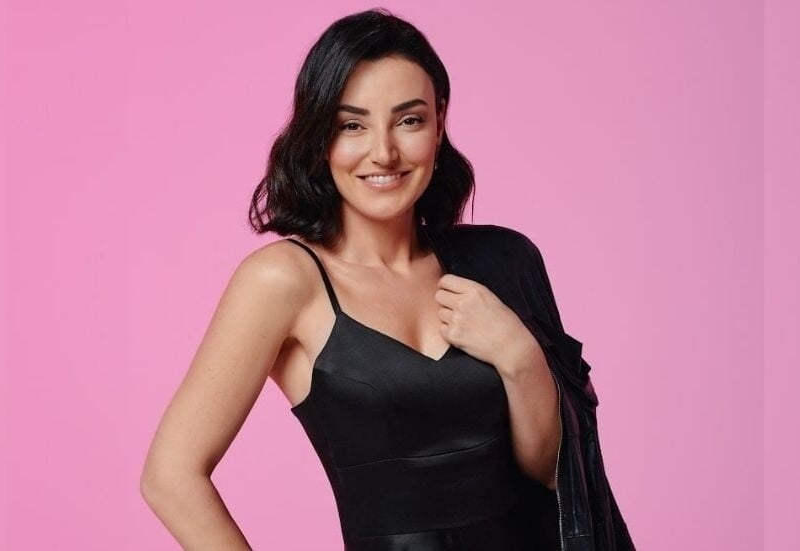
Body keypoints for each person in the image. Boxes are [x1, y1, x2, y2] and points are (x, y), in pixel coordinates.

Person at [141, 8, 634, 550]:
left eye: (409, 120)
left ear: (439, 123)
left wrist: (518, 355)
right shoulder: (283, 281)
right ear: (320, 137)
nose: (383, 152)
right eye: (352, 125)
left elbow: (552, 475)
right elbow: (170, 477)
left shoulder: (504, 259)